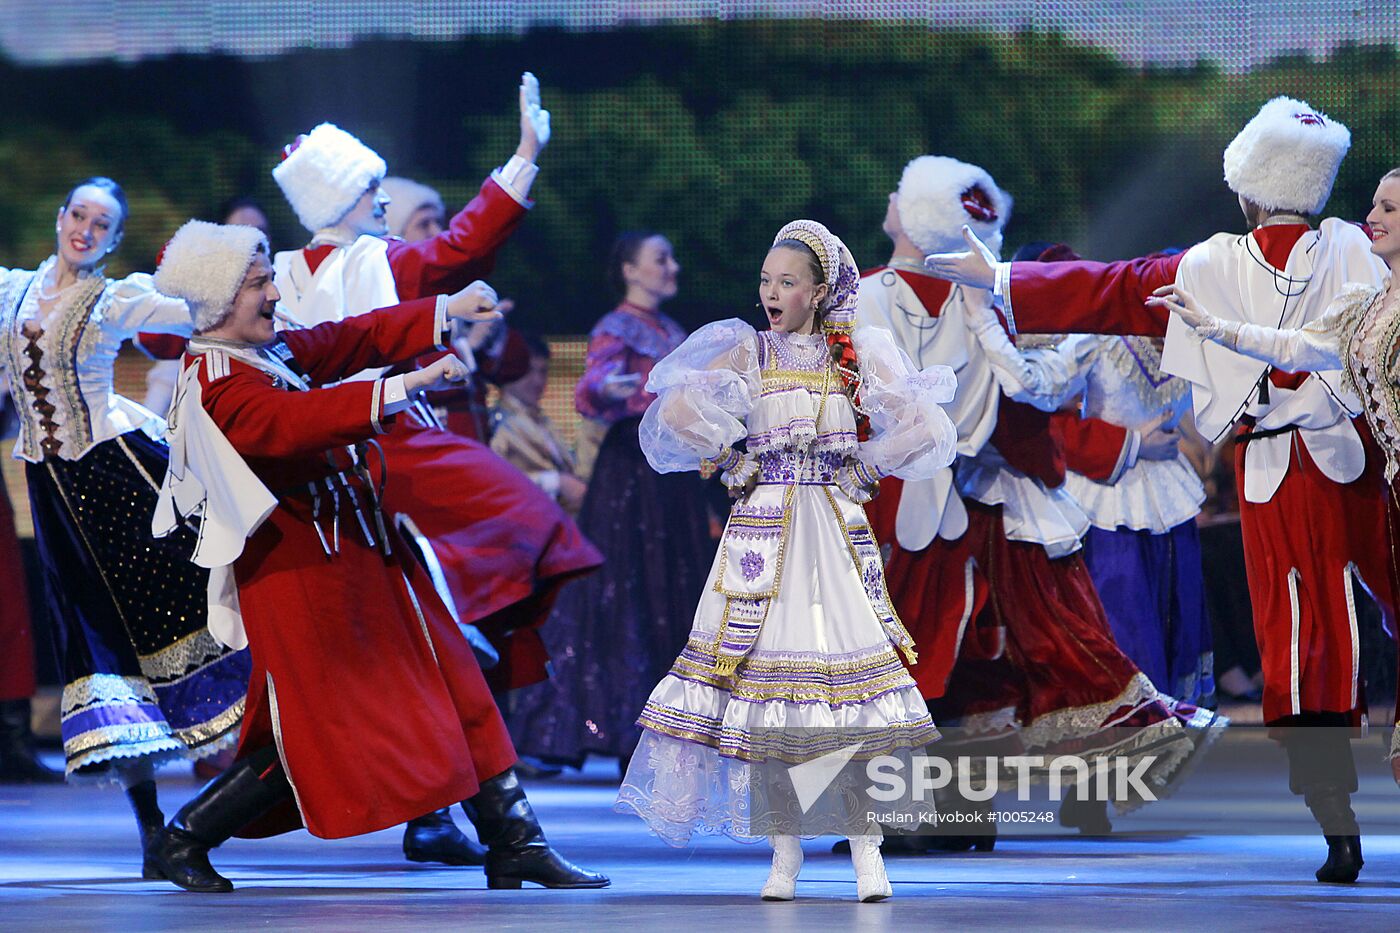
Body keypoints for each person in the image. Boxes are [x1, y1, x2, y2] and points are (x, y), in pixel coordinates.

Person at [925, 98, 1391, 883]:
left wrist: (999, 277)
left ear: (1247, 189)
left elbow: (1109, 287)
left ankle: (1333, 810)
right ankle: (1337, 809)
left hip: (1281, 476)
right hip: (1353, 468)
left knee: (1301, 641)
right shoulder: (1354, 247)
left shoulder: (1212, 262)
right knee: (1347, 626)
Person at [141, 220, 608, 893]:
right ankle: (183, 837)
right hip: (303, 576)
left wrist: (443, 310)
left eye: (271, 276)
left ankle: (516, 839)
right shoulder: (214, 380)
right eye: (258, 283)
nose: (275, 292)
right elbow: (292, 425)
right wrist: (403, 388)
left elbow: (348, 337)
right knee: (306, 728)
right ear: (217, 302)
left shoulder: (262, 353)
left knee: (458, 681)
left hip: (362, 554)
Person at [269, 81, 603, 863]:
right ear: (342, 199)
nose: (381, 201)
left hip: (332, 481)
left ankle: (483, 824)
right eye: (369, 189)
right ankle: (195, 829)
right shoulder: (377, 263)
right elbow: (461, 248)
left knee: (422, 655)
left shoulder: (281, 273)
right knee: (515, 541)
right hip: (382, 462)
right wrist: (524, 157)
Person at [858, 157, 1222, 848]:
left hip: (975, 500)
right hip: (926, 500)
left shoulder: (976, 302)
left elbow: (1018, 400)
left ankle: (946, 810)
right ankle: (915, 810)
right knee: (940, 649)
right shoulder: (877, 296)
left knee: (966, 649)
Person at [614, 220, 958, 901]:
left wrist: (866, 461)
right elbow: (675, 409)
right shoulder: (751, 351)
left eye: (787, 282)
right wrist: (731, 457)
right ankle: (785, 854)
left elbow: (924, 422)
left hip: (830, 536)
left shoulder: (856, 350)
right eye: (767, 280)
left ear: (818, 290)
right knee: (766, 696)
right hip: (763, 543)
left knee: (844, 693)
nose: (772, 292)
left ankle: (868, 852)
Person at [0, 178, 248, 864]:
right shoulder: (10, 291)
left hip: (119, 482)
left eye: (101, 222)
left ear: (113, 239)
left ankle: (243, 783)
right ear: (59, 217)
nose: (85, 227)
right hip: (55, 496)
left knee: (175, 619)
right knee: (95, 651)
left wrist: (247, 275)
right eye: (77, 213)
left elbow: (199, 313)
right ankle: (152, 828)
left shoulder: (116, 297)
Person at [1155, 163, 1400, 755]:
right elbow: (1299, 345)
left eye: (1389, 209)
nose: (1372, 218)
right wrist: (1212, 327)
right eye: (1373, 205)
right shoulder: (1365, 305)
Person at [506, 231, 720, 771]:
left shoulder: (672, 330)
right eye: (659, 259)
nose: (671, 267)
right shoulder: (614, 327)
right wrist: (610, 387)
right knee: (627, 596)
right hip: (631, 477)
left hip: (671, 480)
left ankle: (672, 729)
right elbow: (589, 391)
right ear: (629, 270)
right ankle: (626, 730)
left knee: (671, 593)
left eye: (671, 257)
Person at [381, 175, 529, 442]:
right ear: (394, 233)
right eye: (424, 224)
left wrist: (493, 333)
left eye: (438, 222)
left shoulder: (456, 293)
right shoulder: (386, 301)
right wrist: (467, 348)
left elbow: (515, 367)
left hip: (474, 446)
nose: (436, 232)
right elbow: (398, 380)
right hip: (422, 449)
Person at [490, 332, 588, 514]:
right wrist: (556, 483)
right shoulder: (497, 422)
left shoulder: (543, 421)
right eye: (528, 372)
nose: (538, 381)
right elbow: (491, 483)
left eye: (543, 371)